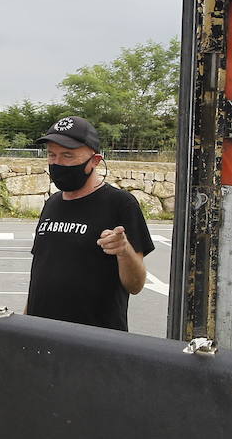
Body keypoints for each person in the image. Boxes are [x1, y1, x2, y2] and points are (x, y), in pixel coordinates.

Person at [25, 116, 154, 332]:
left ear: (95, 161)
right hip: (42, 335)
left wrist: (124, 251)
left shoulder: (120, 203)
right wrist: (25, 323)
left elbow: (136, 285)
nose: (57, 163)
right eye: (51, 155)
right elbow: (40, 275)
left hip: (94, 342)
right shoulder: (52, 203)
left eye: (68, 155)